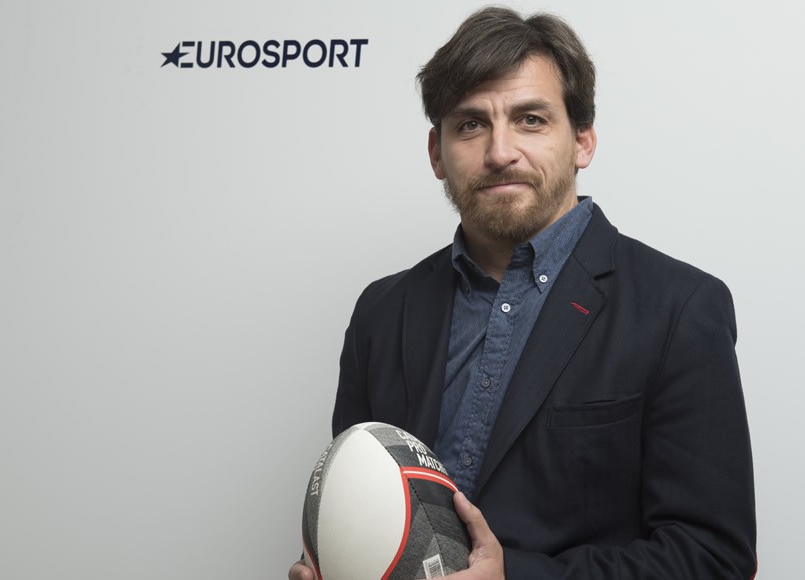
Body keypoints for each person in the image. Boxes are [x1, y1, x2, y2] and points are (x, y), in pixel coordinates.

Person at [290, 7, 756, 579]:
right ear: (436, 153)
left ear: (582, 141)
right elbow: (353, 505)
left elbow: (714, 559)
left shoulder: (678, 309)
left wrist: (514, 577)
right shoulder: (382, 314)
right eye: (470, 125)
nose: (499, 152)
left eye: (530, 120)